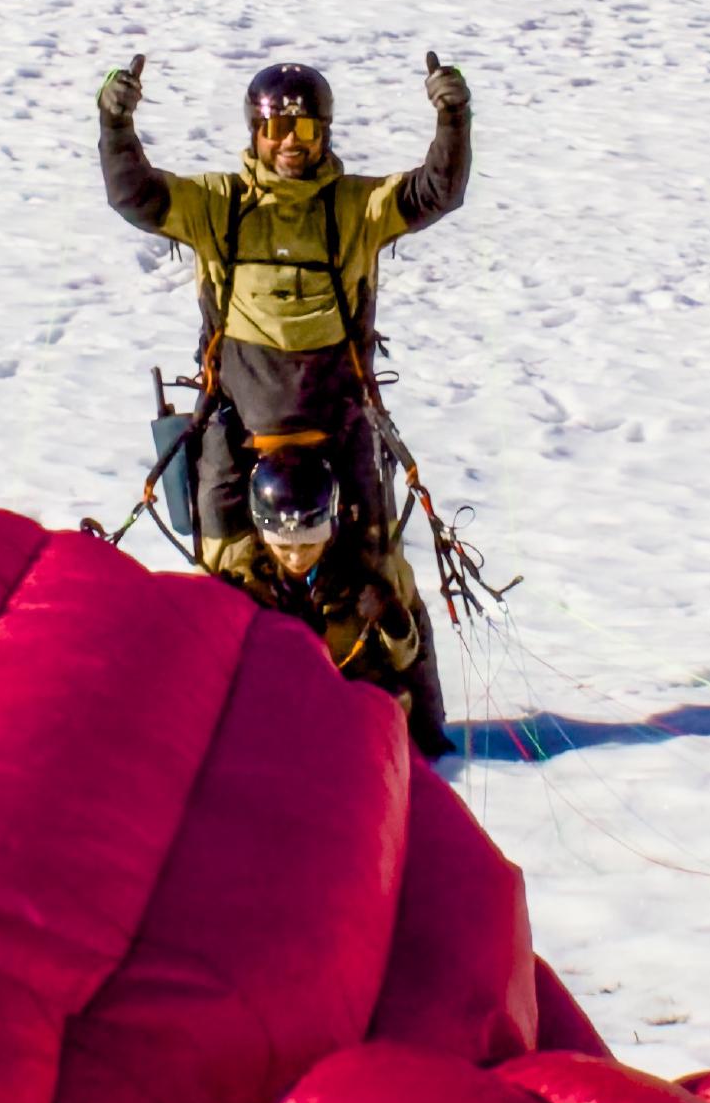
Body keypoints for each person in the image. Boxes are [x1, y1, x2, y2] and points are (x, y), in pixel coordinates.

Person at [96, 51, 471, 571]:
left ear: (326, 133)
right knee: (224, 569)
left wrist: (453, 118)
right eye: (277, 126)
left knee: (377, 571)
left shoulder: (357, 206)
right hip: (235, 419)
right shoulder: (215, 203)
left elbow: (436, 191)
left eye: (306, 127)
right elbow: (134, 194)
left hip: (340, 418)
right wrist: (115, 123)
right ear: (256, 131)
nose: (291, 140)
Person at [215, 447, 456, 758]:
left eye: (308, 544)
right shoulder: (242, 575)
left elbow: (405, 659)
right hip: (272, 711)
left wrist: (391, 617)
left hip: (353, 710)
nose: (296, 556)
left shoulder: (364, 569)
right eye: (284, 546)